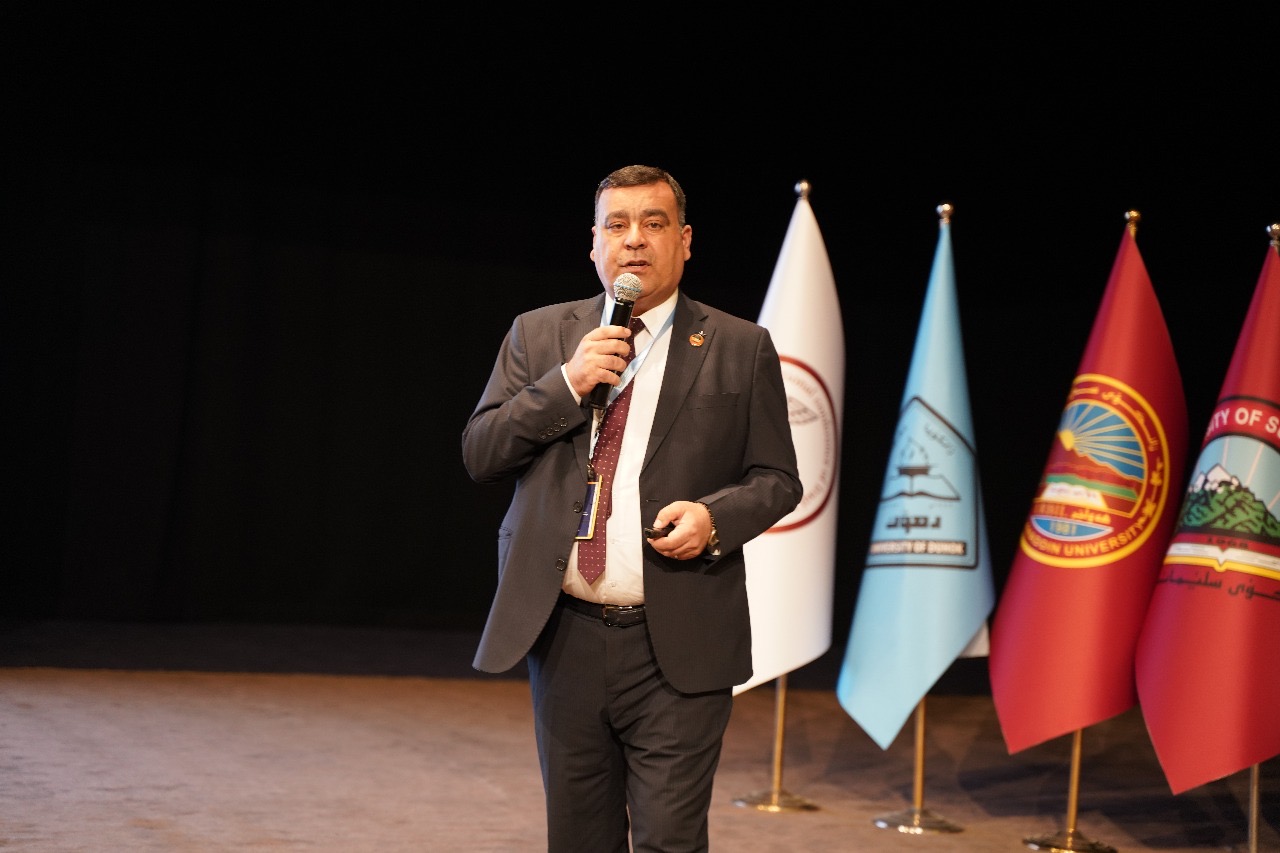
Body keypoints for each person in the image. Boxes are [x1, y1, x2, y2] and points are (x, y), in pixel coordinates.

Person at [461, 164, 802, 852]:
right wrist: (565, 385)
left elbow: (777, 479)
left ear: (685, 240)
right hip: (564, 634)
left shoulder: (739, 346)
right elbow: (481, 452)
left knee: (669, 838)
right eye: (616, 225)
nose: (634, 239)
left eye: (653, 223)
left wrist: (714, 519)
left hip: (678, 636)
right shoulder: (539, 334)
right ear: (594, 244)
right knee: (578, 838)